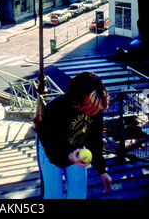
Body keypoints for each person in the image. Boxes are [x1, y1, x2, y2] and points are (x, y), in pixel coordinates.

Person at [36, 71, 112, 199]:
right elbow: (52, 150)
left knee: (78, 195)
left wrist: (102, 170)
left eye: (96, 108)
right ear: (77, 100)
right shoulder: (55, 109)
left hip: (76, 149)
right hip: (51, 150)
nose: (93, 112)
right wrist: (69, 158)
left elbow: (95, 141)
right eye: (88, 107)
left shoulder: (96, 108)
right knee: (53, 196)